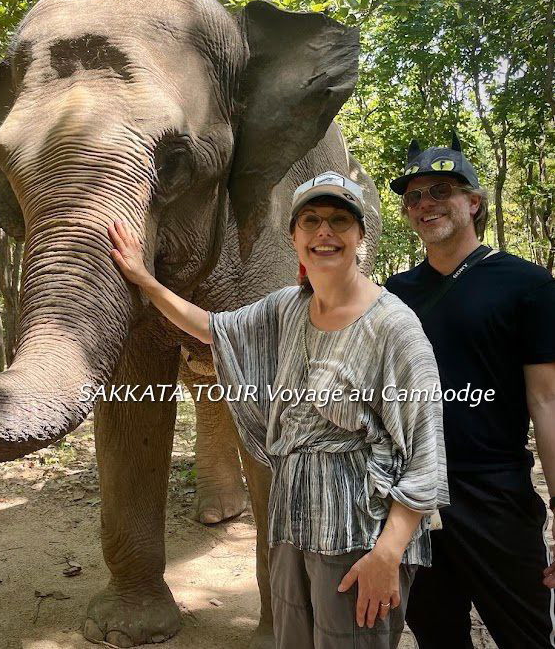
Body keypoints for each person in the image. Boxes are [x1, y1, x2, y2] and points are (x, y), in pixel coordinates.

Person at [108, 171, 449, 648]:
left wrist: (387, 556)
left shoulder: (395, 328)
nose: (324, 232)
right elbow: (213, 328)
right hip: (292, 521)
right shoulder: (287, 307)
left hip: (359, 533)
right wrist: (143, 279)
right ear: (293, 237)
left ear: (360, 235)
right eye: (310, 221)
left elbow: (425, 456)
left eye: (339, 220)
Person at [385, 135, 555, 648]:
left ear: (474, 202)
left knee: (525, 636)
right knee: (437, 636)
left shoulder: (526, 284)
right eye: (414, 196)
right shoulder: (393, 295)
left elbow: (546, 403)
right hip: (414, 496)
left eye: (440, 190)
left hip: (495, 494)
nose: (424, 204)